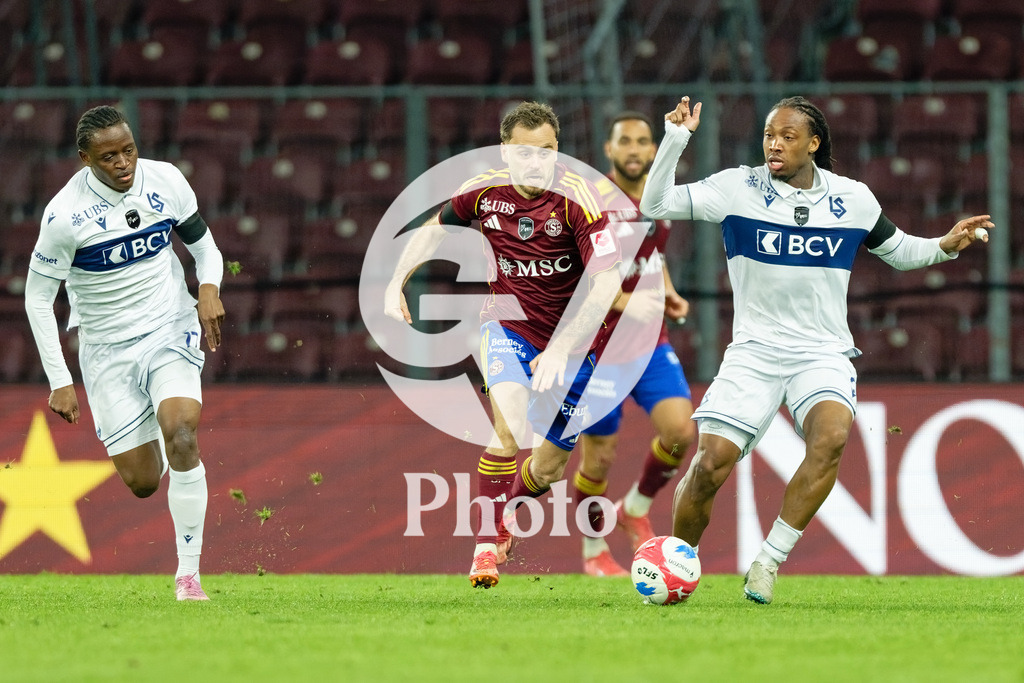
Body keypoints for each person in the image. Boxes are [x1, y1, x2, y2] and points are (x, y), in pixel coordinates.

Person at [640, 95, 993, 604]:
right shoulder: (737, 188)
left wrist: (944, 245)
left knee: (830, 439)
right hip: (754, 352)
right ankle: (678, 566)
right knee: (710, 465)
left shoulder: (853, 198)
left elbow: (898, 251)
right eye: (769, 135)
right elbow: (654, 205)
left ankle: (768, 561)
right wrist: (675, 139)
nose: (774, 145)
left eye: (787, 137)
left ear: (813, 143)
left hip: (821, 352)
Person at [384, 101, 623, 588]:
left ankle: (507, 511)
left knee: (549, 469)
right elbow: (434, 230)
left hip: (575, 344)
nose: (536, 162)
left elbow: (607, 283)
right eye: (524, 152)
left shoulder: (579, 199)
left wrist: (561, 348)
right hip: (507, 326)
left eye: (546, 152)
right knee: (509, 428)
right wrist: (395, 282)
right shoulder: (484, 190)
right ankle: (484, 549)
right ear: (504, 152)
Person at [25, 105, 225, 601]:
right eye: (109, 156)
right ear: (85, 159)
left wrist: (208, 290)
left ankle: (189, 577)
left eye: (129, 150)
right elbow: (37, 299)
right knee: (142, 482)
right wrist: (60, 381)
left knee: (183, 434)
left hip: (169, 326)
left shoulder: (166, 180)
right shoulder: (64, 216)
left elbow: (205, 247)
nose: (123, 163)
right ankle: (152, 433)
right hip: (107, 349)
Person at [571, 111, 696, 577]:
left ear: (653, 149)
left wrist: (668, 291)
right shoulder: (590, 202)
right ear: (609, 149)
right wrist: (625, 301)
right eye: (625, 141)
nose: (635, 149)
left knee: (680, 432)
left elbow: (652, 254)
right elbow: (573, 277)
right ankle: (594, 551)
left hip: (647, 341)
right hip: (597, 349)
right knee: (598, 459)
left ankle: (635, 508)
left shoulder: (658, 197)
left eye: (643, 141)